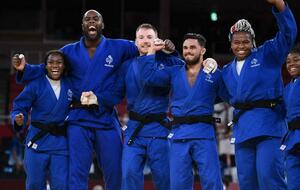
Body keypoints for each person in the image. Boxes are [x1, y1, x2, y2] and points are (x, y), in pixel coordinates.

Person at [12, 10, 139, 190]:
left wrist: (162, 49)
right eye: (87, 19)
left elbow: (142, 46)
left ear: (102, 25)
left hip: (105, 117)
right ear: (83, 26)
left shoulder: (118, 47)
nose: (92, 22)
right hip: (78, 118)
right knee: (76, 173)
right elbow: (46, 68)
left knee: (115, 169)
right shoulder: (69, 51)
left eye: (96, 19)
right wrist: (25, 68)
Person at [221, 0, 297, 189]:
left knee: (269, 177)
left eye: (246, 41)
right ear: (230, 45)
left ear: (253, 43)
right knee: (247, 183)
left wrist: (280, 5)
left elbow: (288, 35)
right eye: (236, 42)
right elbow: (218, 93)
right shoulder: (227, 71)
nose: (241, 45)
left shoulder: (267, 55)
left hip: (269, 126)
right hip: (242, 129)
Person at [139, 33, 228, 190]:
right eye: (185, 48)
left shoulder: (214, 74)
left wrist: (203, 100)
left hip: (204, 134)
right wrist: (151, 51)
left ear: (203, 50)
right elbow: (148, 77)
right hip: (179, 133)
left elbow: (226, 95)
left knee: (212, 183)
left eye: (193, 47)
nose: (188, 51)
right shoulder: (174, 71)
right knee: (179, 184)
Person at [115, 23, 175, 190]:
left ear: (156, 40)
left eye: (149, 37)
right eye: (141, 37)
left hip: (159, 129)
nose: (145, 40)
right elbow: (116, 93)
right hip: (135, 130)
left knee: (165, 179)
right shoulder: (126, 66)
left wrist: (172, 51)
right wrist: (98, 98)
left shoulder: (167, 62)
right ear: (135, 42)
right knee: (128, 175)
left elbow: (183, 68)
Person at [10, 50, 72, 190]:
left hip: (61, 144)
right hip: (37, 141)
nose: (54, 65)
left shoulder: (71, 85)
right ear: (45, 66)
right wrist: (18, 118)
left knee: (61, 185)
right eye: (50, 62)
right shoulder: (35, 84)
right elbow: (19, 106)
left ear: (64, 66)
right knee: (34, 185)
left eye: (59, 62)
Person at [282, 44, 300, 190]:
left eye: (296, 59)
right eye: (288, 61)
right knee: (293, 184)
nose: (291, 64)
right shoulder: (287, 88)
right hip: (291, 139)